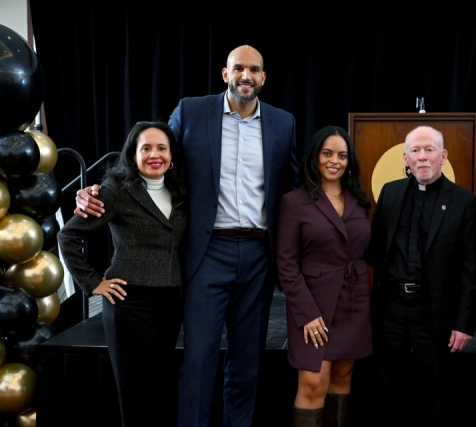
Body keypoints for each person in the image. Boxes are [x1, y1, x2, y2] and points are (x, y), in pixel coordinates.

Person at [74, 45, 299, 427]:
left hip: (260, 255)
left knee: (247, 361)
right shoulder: (192, 111)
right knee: (198, 358)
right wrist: (96, 188)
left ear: (263, 77)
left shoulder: (283, 122)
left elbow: (292, 182)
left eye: (254, 70)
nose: (246, 76)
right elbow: (150, 155)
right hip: (208, 253)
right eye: (238, 68)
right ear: (225, 74)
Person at [58, 121, 188, 427]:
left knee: (160, 390)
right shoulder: (116, 190)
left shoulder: (181, 192)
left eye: (162, 148)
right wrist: (93, 283)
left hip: (169, 303)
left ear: (172, 156)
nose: (154, 155)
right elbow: (68, 237)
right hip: (129, 304)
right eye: (146, 148)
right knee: (134, 396)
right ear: (133, 155)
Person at [368, 125, 476, 426]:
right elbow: (374, 249)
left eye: (429, 150)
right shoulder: (389, 193)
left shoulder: (464, 202)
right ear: (405, 158)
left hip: (434, 311)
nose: (422, 157)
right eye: (415, 151)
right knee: (386, 385)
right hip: (390, 307)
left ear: (442, 156)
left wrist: (464, 324)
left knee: (433, 387)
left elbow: (471, 269)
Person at [276, 126, 372, 427]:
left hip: (354, 301)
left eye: (342, 155)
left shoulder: (361, 200)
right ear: (315, 157)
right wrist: (306, 313)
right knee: (314, 383)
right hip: (313, 305)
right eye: (327, 153)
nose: (335, 161)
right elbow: (286, 263)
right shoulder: (295, 201)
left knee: (342, 377)